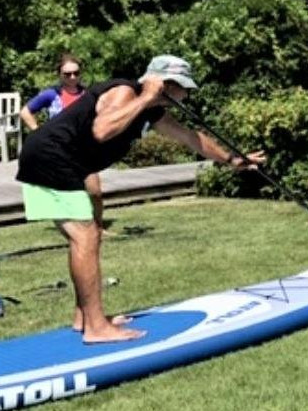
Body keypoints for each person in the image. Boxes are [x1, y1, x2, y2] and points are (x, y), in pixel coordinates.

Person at [15, 55, 265, 343]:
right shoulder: (125, 93)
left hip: (58, 160)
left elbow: (189, 137)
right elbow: (102, 130)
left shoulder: (150, 111)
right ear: (166, 84)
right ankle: (96, 328)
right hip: (50, 158)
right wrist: (145, 98)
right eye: (184, 89)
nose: (186, 95)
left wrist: (231, 159)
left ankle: (85, 317)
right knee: (85, 236)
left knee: (87, 236)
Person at [19, 54, 108, 229]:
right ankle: (72, 228)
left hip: (84, 152)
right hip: (59, 152)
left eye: (76, 73)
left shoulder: (88, 95)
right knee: (65, 193)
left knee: (95, 192)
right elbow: (25, 112)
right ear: (59, 74)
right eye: (67, 74)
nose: (72, 77)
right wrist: (39, 133)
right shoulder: (51, 94)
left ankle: (98, 227)